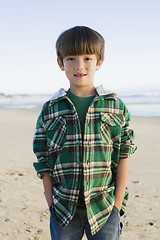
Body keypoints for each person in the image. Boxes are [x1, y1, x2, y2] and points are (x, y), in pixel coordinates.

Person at [33, 26, 137, 240]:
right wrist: (50, 200)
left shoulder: (115, 106)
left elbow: (123, 154)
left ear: (99, 62)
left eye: (87, 58)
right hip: (63, 210)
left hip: (105, 208)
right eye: (71, 58)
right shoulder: (50, 109)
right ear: (60, 63)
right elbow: (43, 157)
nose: (79, 66)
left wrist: (117, 203)